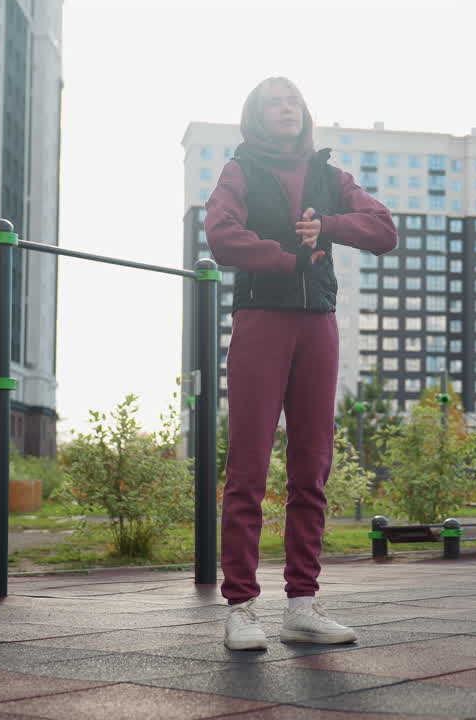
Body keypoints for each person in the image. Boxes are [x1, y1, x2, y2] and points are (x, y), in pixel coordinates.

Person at [204, 77, 397, 650]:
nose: (285, 110)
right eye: (273, 104)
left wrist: (331, 226)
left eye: (292, 101)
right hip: (262, 320)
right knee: (248, 469)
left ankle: (302, 606)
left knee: (312, 466)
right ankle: (240, 608)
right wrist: (286, 259)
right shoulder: (239, 170)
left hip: (319, 324)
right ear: (257, 117)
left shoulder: (328, 175)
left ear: (303, 113)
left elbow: (384, 229)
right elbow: (221, 234)